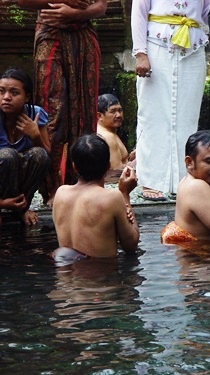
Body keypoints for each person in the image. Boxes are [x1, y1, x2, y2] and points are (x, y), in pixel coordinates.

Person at [18, 0, 107, 206]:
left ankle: (84, 182)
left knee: (85, 111)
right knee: (52, 111)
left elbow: (101, 6)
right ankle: (52, 187)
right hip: (50, 33)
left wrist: (75, 13)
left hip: (83, 34)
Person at [131, 0, 210, 201]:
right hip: (157, 45)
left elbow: (208, 10)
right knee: (152, 113)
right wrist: (141, 53)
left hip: (193, 48)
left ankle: (184, 180)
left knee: (188, 114)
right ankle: (150, 180)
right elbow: (139, 13)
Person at [52, 134, 140, 261]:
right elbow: (131, 246)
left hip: (65, 279)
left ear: (74, 166)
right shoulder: (112, 198)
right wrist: (125, 194)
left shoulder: (60, 194)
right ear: (108, 166)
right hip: (101, 278)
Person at [0, 68, 51, 225]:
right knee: (7, 155)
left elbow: (47, 155)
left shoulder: (35, 114)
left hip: (21, 180)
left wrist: (35, 135)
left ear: (27, 96)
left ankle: (21, 207)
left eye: (14, 93)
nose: (6, 97)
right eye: (1, 92)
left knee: (39, 154)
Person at [97, 94, 136, 182]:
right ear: (99, 116)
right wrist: (140, 159)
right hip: (111, 185)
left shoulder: (110, 131)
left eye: (120, 110)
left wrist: (131, 159)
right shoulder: (108, 136)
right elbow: (116, 172)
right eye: (113, 111)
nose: (118, 115)